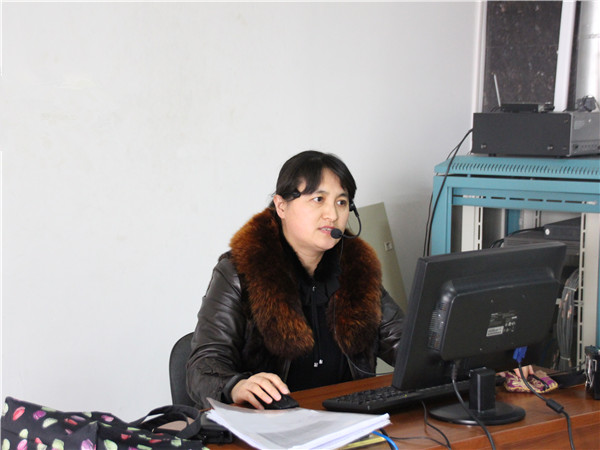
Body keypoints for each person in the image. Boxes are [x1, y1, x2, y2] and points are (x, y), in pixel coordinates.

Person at [186, 150, 405, 409]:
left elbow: (403, 342)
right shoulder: (239, 271)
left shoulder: (357, 269)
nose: (332, 215)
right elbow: (203, 365)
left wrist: (439, 353)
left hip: (350, 418)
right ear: (281, 206)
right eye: (318, 199)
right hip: (270, 421)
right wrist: (234, 385)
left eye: (341, 202)